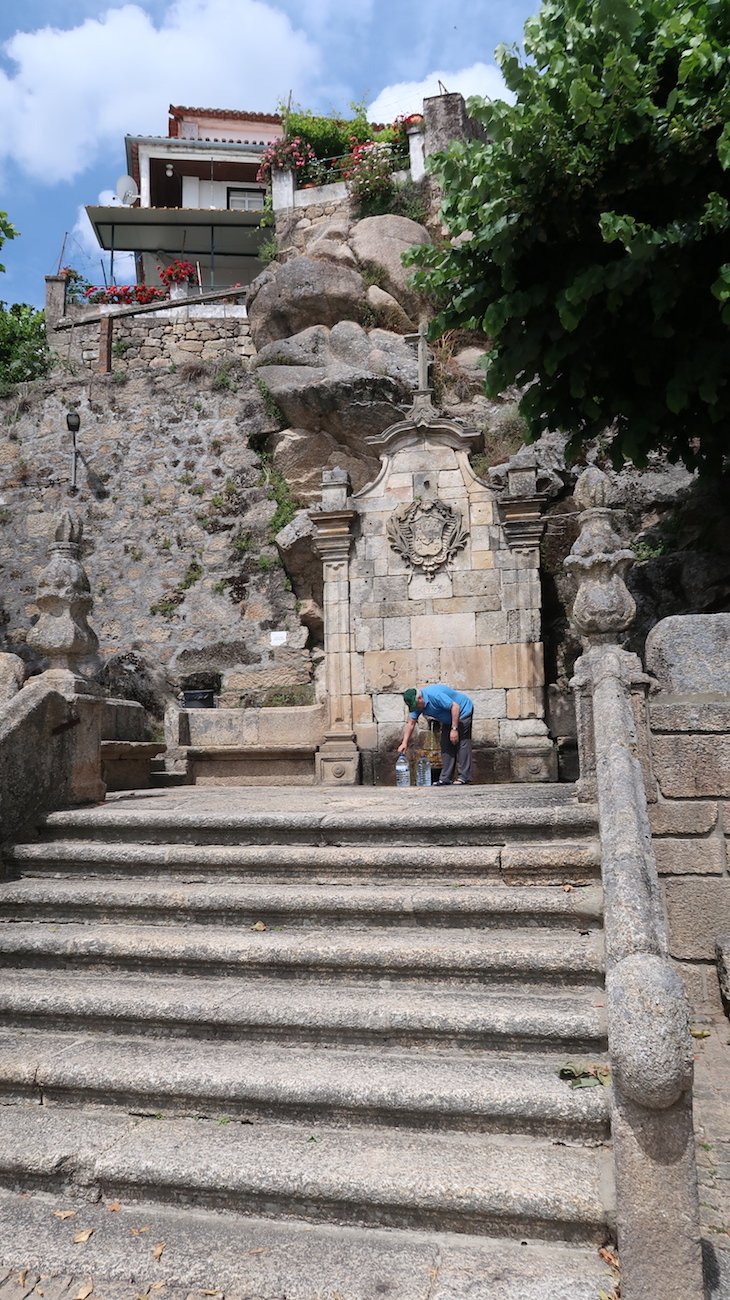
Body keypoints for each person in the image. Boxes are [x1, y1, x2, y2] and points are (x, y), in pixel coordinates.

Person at [398, 685, 474, 786]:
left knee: (462, 743)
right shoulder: (417, 705)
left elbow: (455, 707)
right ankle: (445, 778)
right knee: (446, 744)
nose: (416, 708)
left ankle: (464, 777)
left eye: (416, 705)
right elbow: (411, 723)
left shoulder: (435, 695)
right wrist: (404, 743)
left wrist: (454, 729)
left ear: (420, 698)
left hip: (463, 711)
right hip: (448, 718)